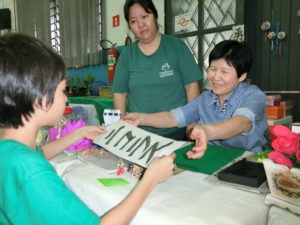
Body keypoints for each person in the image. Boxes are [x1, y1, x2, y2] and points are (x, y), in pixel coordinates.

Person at [0, 33, 175, 225]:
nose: (66, 98)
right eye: (62, 90)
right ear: (41, 100)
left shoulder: (11, 151)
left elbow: (37, 155)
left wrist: (78, 134)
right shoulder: (33, 173)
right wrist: (149, 179)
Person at [123, 40, 268, 159]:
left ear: (242, 76)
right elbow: (173, 117)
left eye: (224, 71)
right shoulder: (205, 99)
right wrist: (141, 118)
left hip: (250, 160)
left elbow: (242, 123)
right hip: (212, 157)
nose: (216, 77)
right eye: (212, 69)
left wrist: (207, 131)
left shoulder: (254, 96)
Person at [112, 0, 203, 141]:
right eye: (133, 21)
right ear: (130, 26)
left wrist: (191, 127)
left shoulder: (176, 47)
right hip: (139, 134)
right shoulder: (127, 55)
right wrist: (123, 129)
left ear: (154, 15)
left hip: (177, 133)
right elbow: (120, 93)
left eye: (144, 16)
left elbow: (192, 86)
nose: (140, 25)